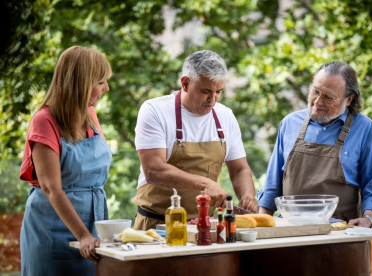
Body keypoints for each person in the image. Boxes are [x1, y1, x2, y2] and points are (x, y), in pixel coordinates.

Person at [133, 50, 258, 230]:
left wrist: (247, 195)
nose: (212, 99)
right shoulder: (154, 111)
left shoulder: (226, 116)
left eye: (218, 92)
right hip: (157, 225)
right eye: (206, 91)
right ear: (185, 83)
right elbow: (154, 170)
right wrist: (205, 184)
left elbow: (239, 169)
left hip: (205, 225)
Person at [258, 61, 372, 228]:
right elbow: (273, 185)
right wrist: (261, 227)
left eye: (328, 97)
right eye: (315, 92)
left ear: (349, 99)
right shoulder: (289, 123)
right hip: (290, 230)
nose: (318, 102)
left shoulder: (366, 130)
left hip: (340, 232)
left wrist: (368, 218)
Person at [19, 46, 112, 275]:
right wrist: (82, 235)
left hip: (92, 228)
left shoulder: (90, 116)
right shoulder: (44, 120)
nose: (106, 88)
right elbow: (51, 188)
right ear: (81, 83)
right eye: (100, 82)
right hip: (51, 228)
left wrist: (90, 235)